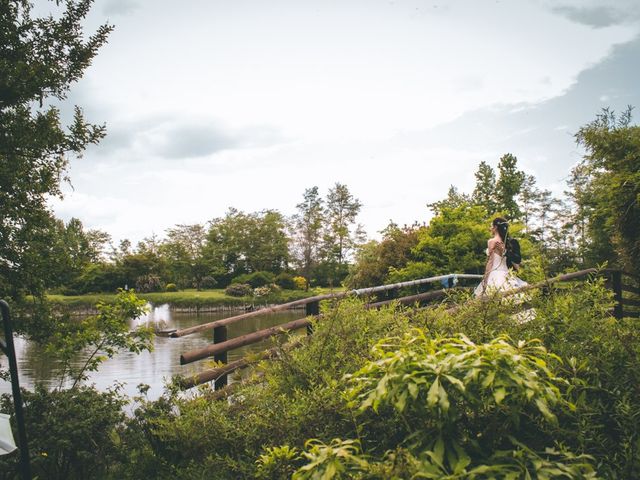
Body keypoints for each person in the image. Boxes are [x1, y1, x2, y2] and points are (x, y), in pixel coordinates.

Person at [474, 217, 527, 298]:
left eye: (491, 226)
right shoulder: (508, 242)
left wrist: (485, 281)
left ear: (495, 227)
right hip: (507, 274)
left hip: (494, 274)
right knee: (512, 297)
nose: (490, 228)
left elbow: (490, 262)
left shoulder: (492, 241)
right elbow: (517, 261)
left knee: (492, 299)